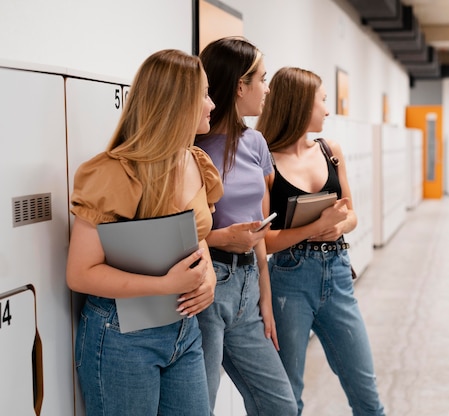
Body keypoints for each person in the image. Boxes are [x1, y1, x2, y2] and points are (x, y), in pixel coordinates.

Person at [66, 49, 223, 414]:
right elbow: (80, 273)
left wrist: (209, 275)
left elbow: (196, 232)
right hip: (123, 335)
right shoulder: (112, 173)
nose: (211, 104)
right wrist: (165, 285)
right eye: (203, 94)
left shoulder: (196, 162)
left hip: (184, 329)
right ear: (176, 103)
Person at [256, 67, 386, 416]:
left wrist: (338, 227)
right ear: (299, 105)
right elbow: (263, 242)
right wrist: (316, 229)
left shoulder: (331, 151)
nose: (327, 110)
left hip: (338, 273)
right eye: (322, 101)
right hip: (288, 282)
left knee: (366, 393)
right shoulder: (265, 161)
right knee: (287, 398)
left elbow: (353, 215)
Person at [194, 37, 297, 416]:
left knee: (280, 405)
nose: (268, 89)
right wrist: (221, 237)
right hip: (205, 287)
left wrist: (264, 300)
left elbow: (259, 229)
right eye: (262, 79)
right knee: (200, 405)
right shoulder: (192, 146)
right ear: (241, 85)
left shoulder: (255, 143)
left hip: (247, 287)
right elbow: (174, 230)